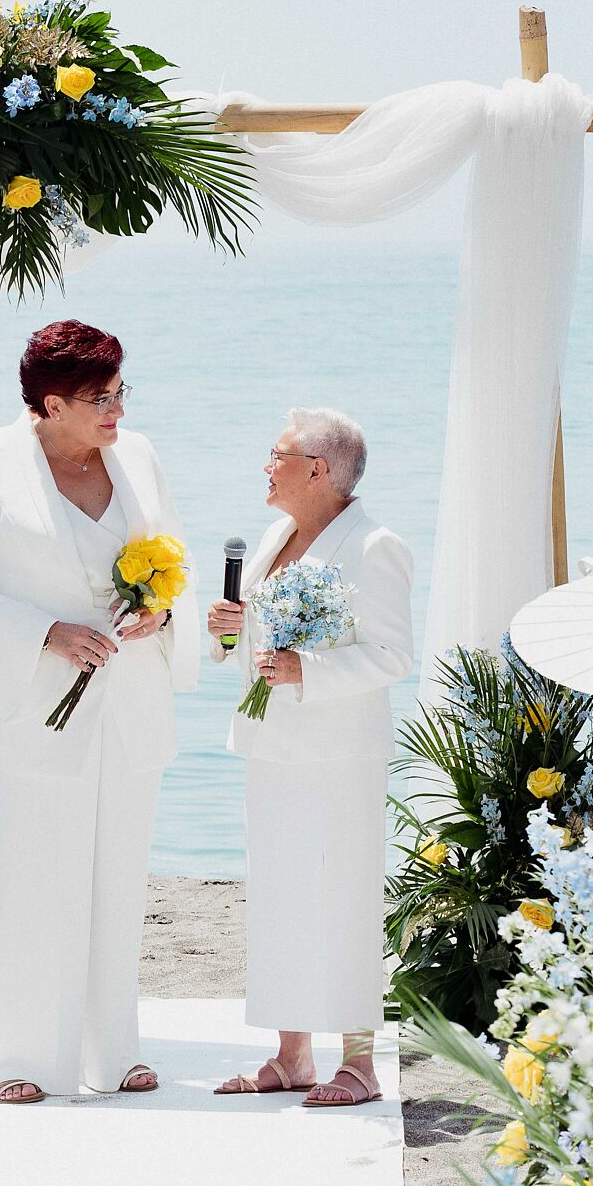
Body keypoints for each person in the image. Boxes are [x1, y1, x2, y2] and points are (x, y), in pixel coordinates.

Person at [0, 320, 199, 1103]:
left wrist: (162, 613)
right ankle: (18, 1058)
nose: (116, 408)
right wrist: (43, 631)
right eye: (100, 397)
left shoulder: (140, 456)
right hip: (26, 708)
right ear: (51, 403)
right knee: (24, 882)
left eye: (120, 391)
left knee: (116, 877)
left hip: (126, 702)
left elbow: (170, 561)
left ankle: (110, 1053)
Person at [207, 409, 413, 1106]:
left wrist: (309, 671)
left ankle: (357, 1061)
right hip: (270, 748)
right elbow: (263, 643)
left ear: (317, 470)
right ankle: (291, 1054)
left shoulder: (374, 544)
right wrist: (228, 633)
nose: (265, 465)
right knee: (278, 896)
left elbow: (391, 655)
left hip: (339, 753)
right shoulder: (273, 535)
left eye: (277, 454)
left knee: (345, 897)